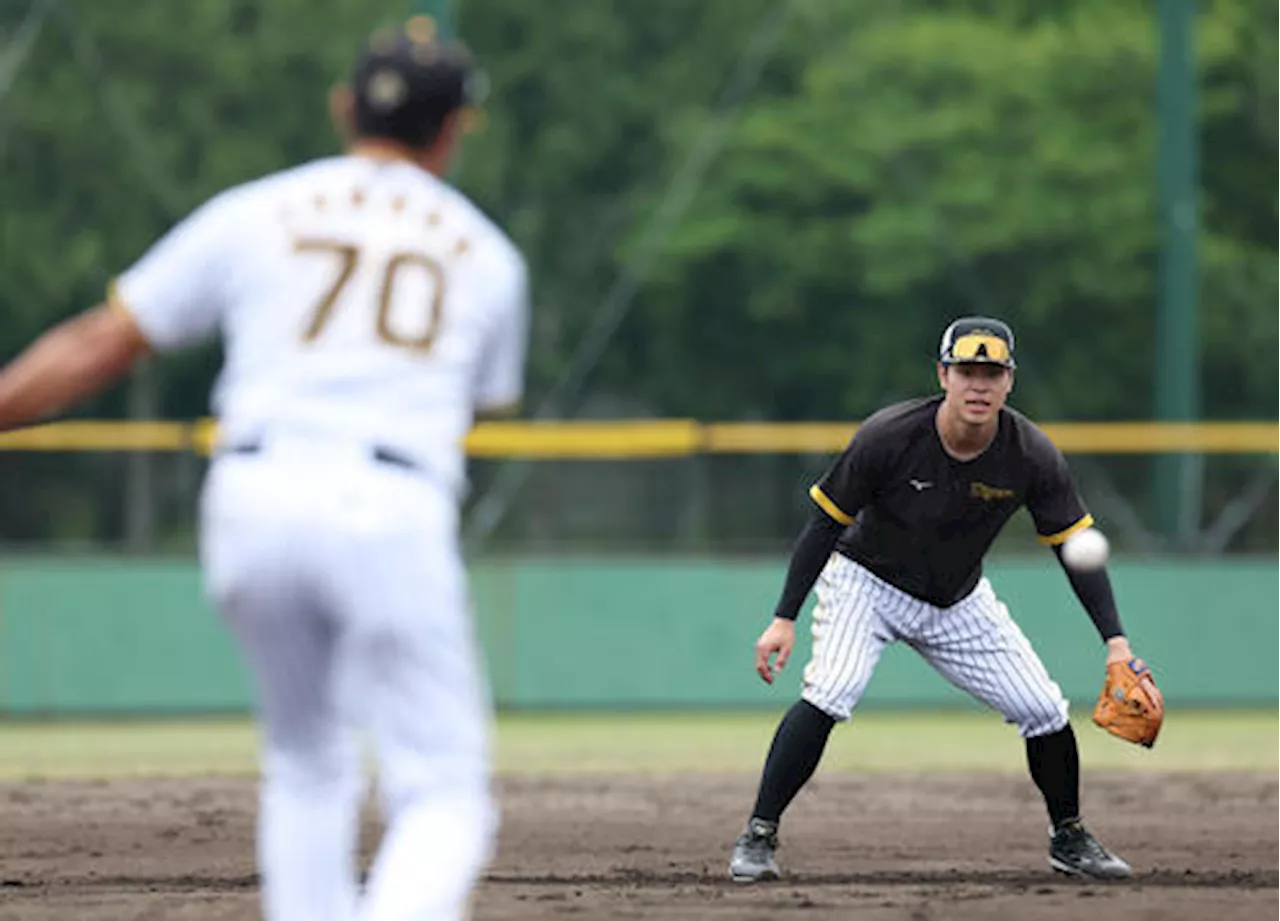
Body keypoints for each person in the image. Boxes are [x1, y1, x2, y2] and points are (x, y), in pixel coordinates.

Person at [0, 19, 528, 921]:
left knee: (306, 761)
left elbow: (101, 342)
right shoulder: (485, 254)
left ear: (341, 107)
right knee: (443, 792)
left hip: (249, 497)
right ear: (453, 130)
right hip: (387, 500)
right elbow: (483, 400)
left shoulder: (260, 209)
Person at [728, 317, 1161, 883]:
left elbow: (1074, 548)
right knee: (831, 691)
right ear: (943, 375)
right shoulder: (889, 436)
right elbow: (822, 526)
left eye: (992, 373)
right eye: (966, 371)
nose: (978, 385)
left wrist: (1116, 644)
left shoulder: (1030, 454)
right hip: (867, 583)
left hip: (958, 600)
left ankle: (1069, 837)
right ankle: (758, 835)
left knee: (1044, 710)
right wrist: (783, 617)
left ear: (1010, 382)